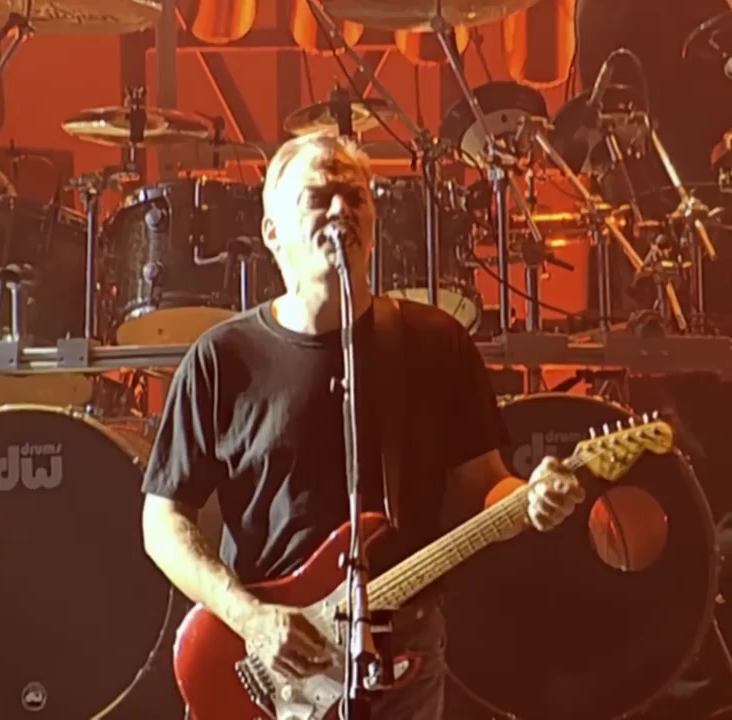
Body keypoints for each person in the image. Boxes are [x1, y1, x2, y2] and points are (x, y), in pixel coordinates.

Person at [140, 132, 587, 719]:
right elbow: (163, 522)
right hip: (271, 659)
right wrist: (249, 618)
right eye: (318, 196)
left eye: (355, 197)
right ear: (272, 231)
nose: (340, 210)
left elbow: (486, 485)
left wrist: (529, 500)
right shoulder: (223, 358)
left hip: (403, 652)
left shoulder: (434, 344)